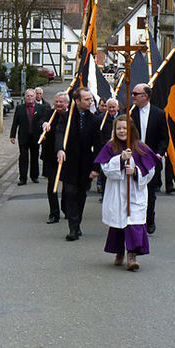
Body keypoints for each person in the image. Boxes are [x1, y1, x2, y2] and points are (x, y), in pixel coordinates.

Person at [95, 115, 158, 271]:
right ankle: (119, 252)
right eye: (119, 128)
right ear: (114, 130)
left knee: (134, 224)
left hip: (135, 193)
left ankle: (132, 255)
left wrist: (136, 171)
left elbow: (151, 171)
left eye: (125, 128)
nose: (122, 131)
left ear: (131, 130)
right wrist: (120, 161)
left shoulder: (141, 148)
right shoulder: (110, 147)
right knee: (118, 224)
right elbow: (106, 170)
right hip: (117, 192)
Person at [56, 86, 102, 241]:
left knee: (81, 195)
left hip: (85, 164)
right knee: (69, 193)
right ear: (77, 101)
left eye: (91, 99)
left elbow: (98, 145)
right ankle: (73, 228)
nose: (90, 102)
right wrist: (60, 149)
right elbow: (59, 134)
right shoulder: (67, 118)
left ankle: (77, 223)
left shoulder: (94, 120)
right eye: (87, 99)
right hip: (69, 163)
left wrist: (96, 168)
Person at [130, 83, 170, 234]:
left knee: (150, 192)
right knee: (134, 190)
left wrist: (159, 153)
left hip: (152, 160)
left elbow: (164, 138)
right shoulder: (130, 113)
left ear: (145, 96)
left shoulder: (159, 114)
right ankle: (135, 220)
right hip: (134, 159)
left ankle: (149, 220)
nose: (132, 96)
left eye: (136, 93)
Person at [40, 91, 69, 223]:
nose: (58, 104)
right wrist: (43, 126)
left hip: (67, 156)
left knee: (67, 185)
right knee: (52, 183)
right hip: (50, 155)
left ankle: (66, 208)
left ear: (67, 103)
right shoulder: (49, 113)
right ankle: (54, 213)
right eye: (56, 101)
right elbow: (40, 122)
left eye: (61, 102)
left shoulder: (70, 116)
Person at [10, 89, 42, 185]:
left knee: (34, 156)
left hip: (35, 136)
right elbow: (15, 122)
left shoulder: (41, 108)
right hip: (23, 136)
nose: (29, 98)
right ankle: (23, 178)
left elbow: (43, 122)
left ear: (34, 97)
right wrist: (12, 135)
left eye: (31, 96)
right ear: (25, 97)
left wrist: (43, 135)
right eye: (28, 96)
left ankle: (34, 176)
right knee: (23, 157)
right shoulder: (20, 108)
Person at [97, 98, 123, 200]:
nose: (112, 109)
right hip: (106, 149)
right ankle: (105, 195)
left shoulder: (122, 118)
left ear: (118, 107)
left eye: (113, 107)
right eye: (110, 107)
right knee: (105, 173)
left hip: (119, 150)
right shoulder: (101, 118)